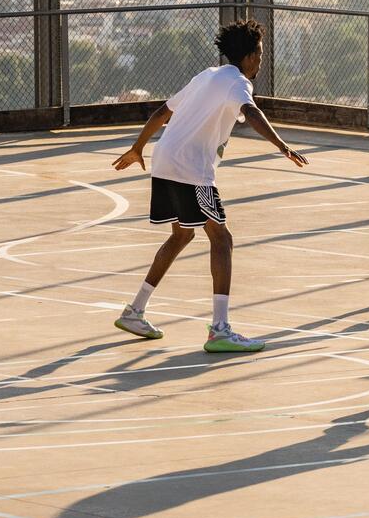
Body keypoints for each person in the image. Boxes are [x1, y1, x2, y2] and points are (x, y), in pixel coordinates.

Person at [110, 19, 307, 351]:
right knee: (222, 239)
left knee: (182, 234)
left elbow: (161, 112)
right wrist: (282, 145)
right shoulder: (238, 84)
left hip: (165, 160)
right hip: (190, 168)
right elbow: (252, 113)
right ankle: (219, 329)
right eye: (258, 53)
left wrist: (138, 147)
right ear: (245, 57)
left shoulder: (206, 76)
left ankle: (135, 311)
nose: (260, 60)